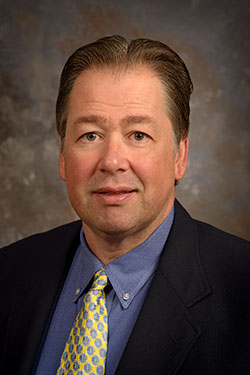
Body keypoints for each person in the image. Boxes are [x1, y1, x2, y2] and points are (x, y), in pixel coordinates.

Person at [0, 35, 249, 375]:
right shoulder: (9, 272)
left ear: (180, 156)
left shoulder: (242, 289)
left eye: (138, 135)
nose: (112, 161)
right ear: (62, 156)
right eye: (90, 135)